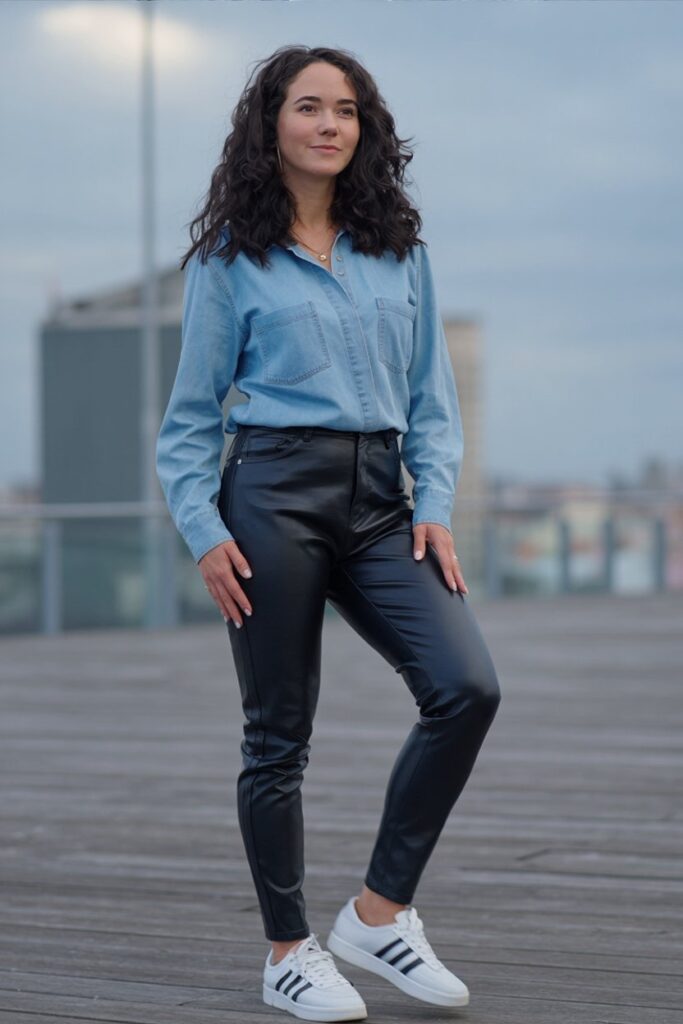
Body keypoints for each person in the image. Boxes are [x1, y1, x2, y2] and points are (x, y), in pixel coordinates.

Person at [156, 44, 501, 1024]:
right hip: (269, 495)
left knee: (464, 686)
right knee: (277, 736)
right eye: (307, 106)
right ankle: (286, 952)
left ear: (365, 130)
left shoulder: (401, 251)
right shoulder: (231, 263)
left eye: (345, 109)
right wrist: (201, 526)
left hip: (380, 500)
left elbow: (432, 401)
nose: (327, 124)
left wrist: (431, 505)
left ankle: (377, 915)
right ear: (271, 125)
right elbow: (188, 420)